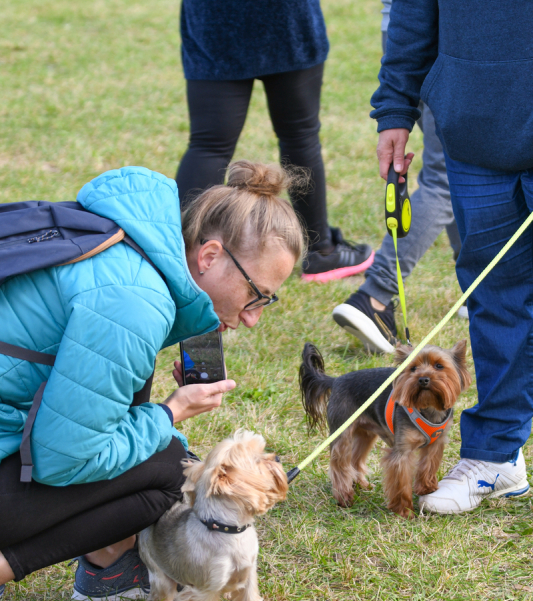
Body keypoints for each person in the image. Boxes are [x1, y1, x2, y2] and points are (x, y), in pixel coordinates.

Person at [0, 160, 303, 601]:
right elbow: (63, 458)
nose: (252, 319)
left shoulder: (130, 240)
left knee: (164, 455)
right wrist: (169, 413)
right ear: (209, 255)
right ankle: (102, 564)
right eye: (257, 295)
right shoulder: (136, 301)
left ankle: (109, 563)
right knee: (170, 473)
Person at [370, 0, 533, 514]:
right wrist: (396, 107)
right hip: (473, 131)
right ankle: (496, 454)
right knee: (494, 297)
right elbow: (414, 13)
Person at [176, 0, 374, 283]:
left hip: (213, 18)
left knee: (209, 145)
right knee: (299, 136)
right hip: (286, 17)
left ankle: (172, 257)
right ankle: (321, 252)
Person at [332, 0, 461, 354]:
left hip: (406, 29)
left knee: (456, 168)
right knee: (447, 177)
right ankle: (373, 297)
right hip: (442, 34)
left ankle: (478, 284)